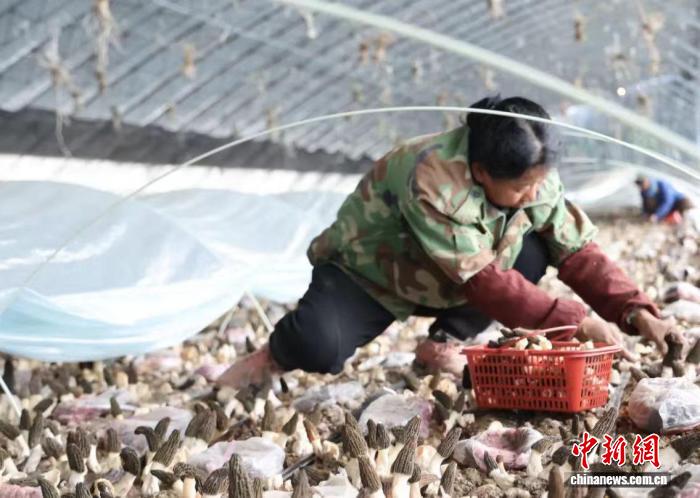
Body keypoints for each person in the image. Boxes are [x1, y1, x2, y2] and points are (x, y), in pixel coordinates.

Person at [217, 96, 681, 388]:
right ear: (481, 172)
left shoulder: (532, 173)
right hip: (374, 273)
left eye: (539, 182)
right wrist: (577, 322)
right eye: (522, 187)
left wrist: (637, 312)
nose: (534, 194)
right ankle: (272, 356)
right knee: (317, 345)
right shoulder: (432, 178)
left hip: (452, 279)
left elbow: (577, 249)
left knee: (534, 249)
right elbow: (485, 283)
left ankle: (444, 342)